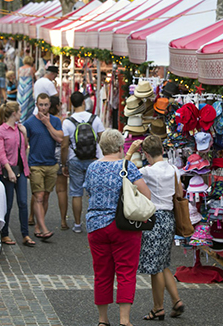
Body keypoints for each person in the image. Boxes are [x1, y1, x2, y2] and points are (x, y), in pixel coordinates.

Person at [85, 129, 151, 326]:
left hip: (96, 224)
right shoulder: (127, 167)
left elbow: (89, 191)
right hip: (123, 224)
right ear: (120, 146)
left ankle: (103, 320)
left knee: (102, 273)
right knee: (125, 272)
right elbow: (146, 194)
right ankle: (124, 320)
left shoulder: (92, 168)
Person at [136, 135, 185, 320]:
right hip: (169, 218)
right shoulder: (174, 169)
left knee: (155, 267)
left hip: (154, 218)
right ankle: (176, 300)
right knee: (163, 263)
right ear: (163, 150)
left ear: (146, 154)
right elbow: (179, 193)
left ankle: (158, 307)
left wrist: (131, 151)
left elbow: (125, 173)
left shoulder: (147, 172)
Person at [62, 91, 105, 233]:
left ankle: (77, 225)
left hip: (75, 159)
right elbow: (103, 139)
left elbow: (64, 145)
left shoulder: (68, 122)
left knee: (76, 192)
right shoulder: (95, 119)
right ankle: (96, 223)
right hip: (93, 159)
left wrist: (64, 164)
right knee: (95, 192)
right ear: (83, 103)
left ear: (72, 104)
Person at [0, 101, 35, 247]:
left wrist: (24, 134)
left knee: (23, 202)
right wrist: (10, 170)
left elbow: (23, 149)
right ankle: (4, 233)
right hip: (8, 171)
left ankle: (25, 234)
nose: (20, 114)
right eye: (19, 111)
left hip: (21, 170)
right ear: (13, 113)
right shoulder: (1, 131)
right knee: (8, 203)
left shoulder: (19, 129)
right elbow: (1, 153)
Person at [23, 93, 63, 240]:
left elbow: (59, 138)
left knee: (46, 196)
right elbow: (23, 144)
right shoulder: (30, 123)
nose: (44, 108)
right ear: (36, 105)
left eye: (46, 105)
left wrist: (48, 124)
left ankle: (39, 225)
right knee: (38, 196)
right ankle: (44, 229)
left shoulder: (55, 121)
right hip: (35, 165)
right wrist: (24, 165)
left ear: (49, 106)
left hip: (51, 164)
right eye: (41, 105)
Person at [49, 95, 69, 231]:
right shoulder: (62, 121)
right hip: (59, 155)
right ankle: (63, 220)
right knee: (61, 190)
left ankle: (32, 217)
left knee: (41, 191)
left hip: (46, 155)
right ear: (57, 106)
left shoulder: (44, 121)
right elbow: (64, 142)